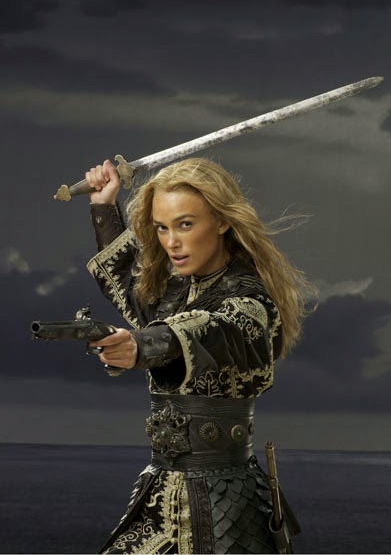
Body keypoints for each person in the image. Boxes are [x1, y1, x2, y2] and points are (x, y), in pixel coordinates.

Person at [85, 157, 310, 554]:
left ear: (221, 221)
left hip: (228, 505)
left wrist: (141, 346)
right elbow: (132, 284)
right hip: (162, 491)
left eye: (185, 224)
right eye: (162, 227)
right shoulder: (175, 292)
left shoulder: (250, 301)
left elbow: (214, 330)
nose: (171, 242)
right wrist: (104, 206)